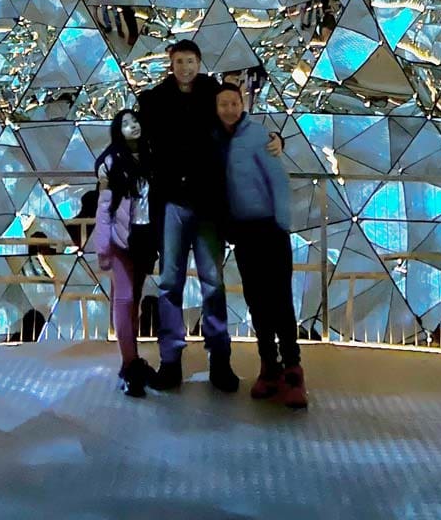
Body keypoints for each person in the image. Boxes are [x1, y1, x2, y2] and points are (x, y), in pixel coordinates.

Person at [137, 40, 282, 391]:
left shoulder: (214, 95)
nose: (185, 67)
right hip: (171, 203)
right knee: (170, 283)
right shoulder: (154, 101)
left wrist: (276, 140)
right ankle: (170, 360)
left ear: (199, 62)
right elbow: (137, 142)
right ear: (170, 64)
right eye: (179, 61)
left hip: (208, 207)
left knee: (212, 283)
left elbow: (239, 123)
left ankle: (220, 360)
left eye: (190, 61)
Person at [216, 82, 307, 408]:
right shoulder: (217, 139)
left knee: (280, 298)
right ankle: (269, 365)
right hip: (243, 232)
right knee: (256, 300)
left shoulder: (257, 136)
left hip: (269, 228)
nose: (228, 109)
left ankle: (293, 369)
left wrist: (281, 223)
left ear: (242, 104)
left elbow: (279, 181)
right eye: (222, 104)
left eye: (233, 103)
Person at [94, 109, 159, 397]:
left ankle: (131, 361)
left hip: (145, 238)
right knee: (124, 297)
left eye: (136, 122)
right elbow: (104, 207)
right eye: (125, 124)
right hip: (122, 240)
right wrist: (103, 245)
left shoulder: (151, 157)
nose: (132, 127)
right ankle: (130, 363)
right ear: (116, 130)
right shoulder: (110, 162)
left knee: (135, 300)